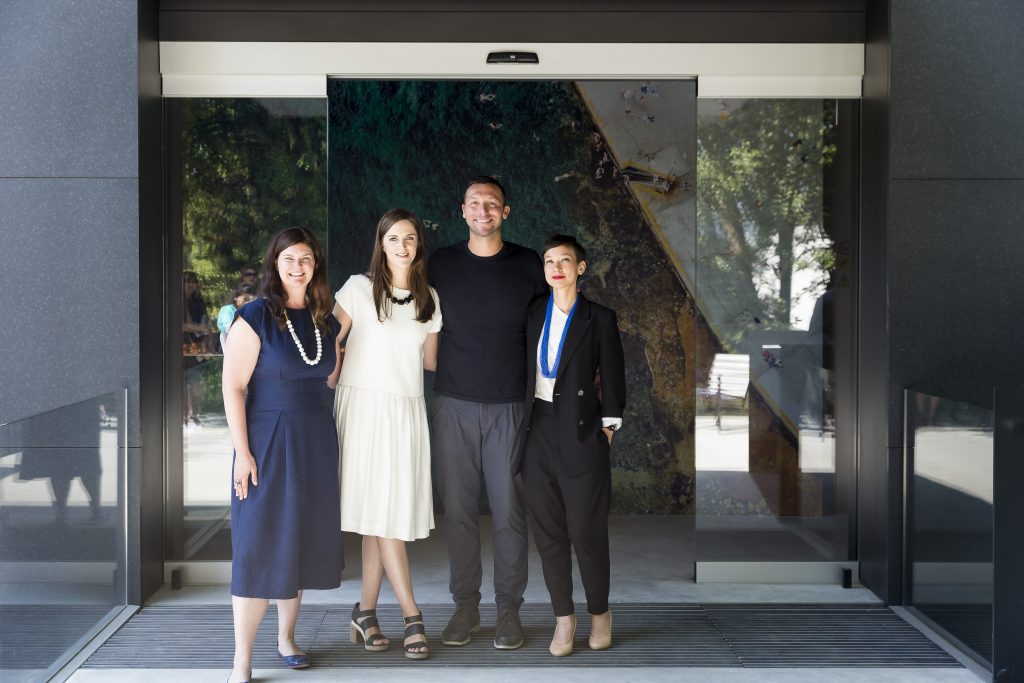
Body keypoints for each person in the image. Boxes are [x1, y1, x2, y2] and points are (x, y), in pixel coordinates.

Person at [428, 176, 546, 649]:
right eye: (475, 203)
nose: (483, 211)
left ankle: (509, 612)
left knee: (510, 513)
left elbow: (546, 333)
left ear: (506, 212)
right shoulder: (440, 264)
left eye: (492, 204)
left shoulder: (528, 264)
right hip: (453, 403)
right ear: (462, 210)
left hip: (511, 407)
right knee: (457, 512)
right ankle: (465, 608)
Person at [222, 227, 344, 683]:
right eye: (289, 258)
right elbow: (232, 387)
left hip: (314, 437)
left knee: (298, 542)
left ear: (316, 265)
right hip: (267, 441)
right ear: (276, 263)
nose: (298, 266)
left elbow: (327, 378)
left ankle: (286, 638)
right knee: (259, 546)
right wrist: (242, 453)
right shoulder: (255, 316)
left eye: (306, 259)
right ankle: (242, 660)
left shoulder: (323, 318)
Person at [333, 208, 441, 660]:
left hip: (405, 411)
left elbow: (431, 362)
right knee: (383, 517)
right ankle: (413, 616)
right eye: (393, 237)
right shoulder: (357, 289)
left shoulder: (430, 299)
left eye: (410, 238)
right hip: (363, 409)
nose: (402, 245)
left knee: (382, 517)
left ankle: (365, 612)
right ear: (381, 243)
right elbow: (327, 341)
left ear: (418, 246)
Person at [514, 234, 626, 657]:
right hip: (537, 429)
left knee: (587, 531)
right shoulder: (532, 312)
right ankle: (564, 618)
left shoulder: (599, 317)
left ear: (580, 268)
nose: (556, 267)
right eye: (549, 261)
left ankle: (600, 613)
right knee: (548, 533)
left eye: (565, 260)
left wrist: (607, 431)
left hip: (581, 432)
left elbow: (614, 380)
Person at [217, 284, 256, 352]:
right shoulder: (227, 310)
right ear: (236, 298)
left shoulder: (249, 311)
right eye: (245, 299)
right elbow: (228, 329)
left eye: (250, 300)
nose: (248, 302)